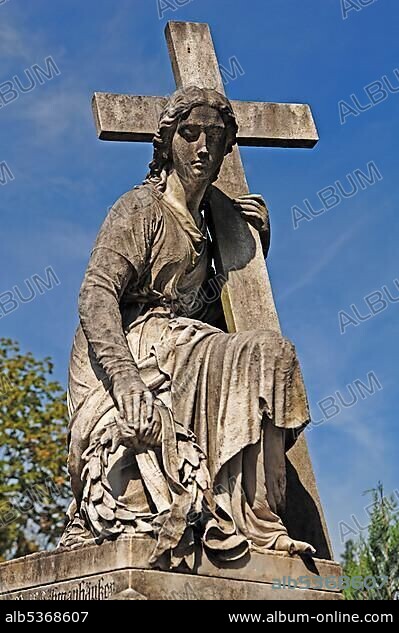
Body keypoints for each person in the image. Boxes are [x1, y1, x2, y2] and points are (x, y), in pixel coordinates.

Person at [61, 86, 315, 567]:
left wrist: (252, 248)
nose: (202, 147)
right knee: (244, 352)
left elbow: (213, 322)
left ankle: (256, 517)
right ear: (167, 142)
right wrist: (126, 379)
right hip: (134, 350)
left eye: (214, 138)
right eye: (190, 133)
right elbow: (96, 294)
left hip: (184, 345)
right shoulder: (140, 209)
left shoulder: (212, 227)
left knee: (273, 354)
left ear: (224, 151)